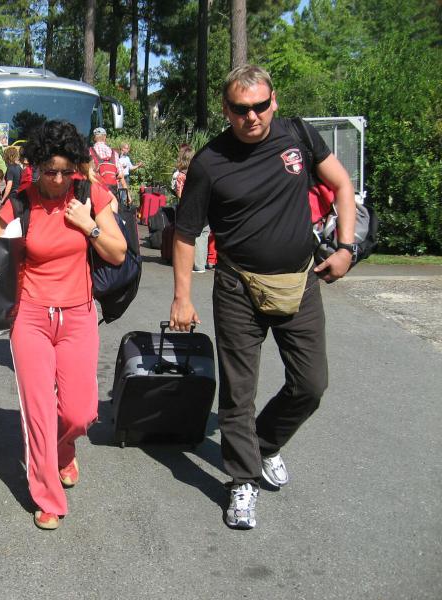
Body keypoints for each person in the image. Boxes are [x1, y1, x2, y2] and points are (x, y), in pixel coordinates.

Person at [170, 65, 356, 529]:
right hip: (238, 288)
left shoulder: (298, 136)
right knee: (239, 394)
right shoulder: (210, 162)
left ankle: (265, 443)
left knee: (310, 385)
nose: (251, 116)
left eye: (259, 106)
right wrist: (181, 298)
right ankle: (243, 479)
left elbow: (341, 184)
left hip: (300, 282)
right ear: (225, 109)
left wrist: (347, 247)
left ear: (274, 101)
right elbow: (185, 233)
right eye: (240, 108)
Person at [0, 120, 127, 530]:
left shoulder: (90, 195)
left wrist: (88, 225)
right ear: (35, 166)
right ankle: (47, 496)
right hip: (30, 317)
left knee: (81, 413)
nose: (58, 180)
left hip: (78, 315)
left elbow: (117, 253)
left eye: (65, 171)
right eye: (49, 171)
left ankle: (65, 449)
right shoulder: (20, 204)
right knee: (39, 411)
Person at [173, 145, 208, 272]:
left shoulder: (181, 176)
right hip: (205, 204)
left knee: (187, 236)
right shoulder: (202, 171)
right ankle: (201, 264)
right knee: (203, 234)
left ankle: (188, 264)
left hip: (190, 207)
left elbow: (180, 194)